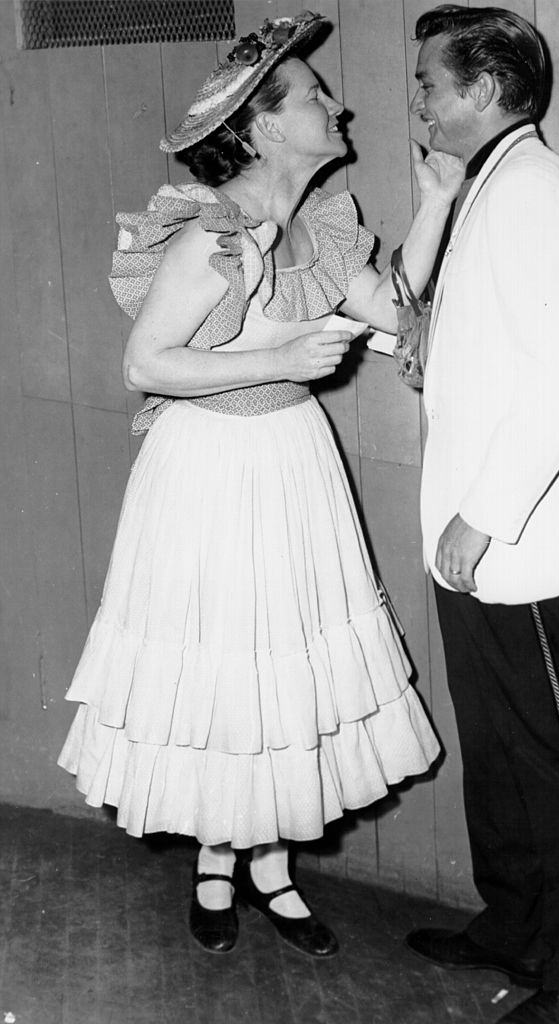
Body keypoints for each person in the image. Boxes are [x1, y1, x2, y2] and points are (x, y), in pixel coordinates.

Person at [58, 12, 463, 958]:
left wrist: (436, 202)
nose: (339, 103)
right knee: (221, 658)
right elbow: (146, 365)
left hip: (290, 460)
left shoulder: (318, 227)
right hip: (208, 469)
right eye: (317, 96)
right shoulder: (212, 233)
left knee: (279, 657)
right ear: (270, 126)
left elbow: (393, 309)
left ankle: (270, 868)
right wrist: (279, 352)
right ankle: (214, 863)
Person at [402, 7, 559, 1023]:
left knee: (548, 757)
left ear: (485, 92)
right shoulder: (490, 183)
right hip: (480, 535)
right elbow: (494, 351)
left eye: (429, 84)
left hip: (515, 538)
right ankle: (513, 926)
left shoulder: (535, 187)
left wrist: (485, 515)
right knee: (498, 749)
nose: (415, 101)